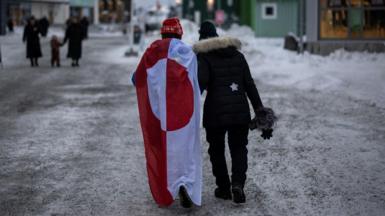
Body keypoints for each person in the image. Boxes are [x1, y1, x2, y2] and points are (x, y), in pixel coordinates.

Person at [193, 21, 275, 204]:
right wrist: (261, 114)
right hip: (240, 111)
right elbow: (250, 86)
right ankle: (237, 184)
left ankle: (223, 188)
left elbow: (198, 86)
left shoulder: (204, 58)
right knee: (239, 149)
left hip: (215, 113)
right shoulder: (238, 56)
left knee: (216, 151)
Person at [132, 17, 202, 209]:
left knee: (164, 151)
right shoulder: (187, 53)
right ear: (180, 33)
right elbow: (197, 82)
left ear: (162, 33)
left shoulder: (152, 52)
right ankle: (185, 183)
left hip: (160, 115)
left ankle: (171, 187)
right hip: (183, 115)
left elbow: (136, 78)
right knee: (186, 151)